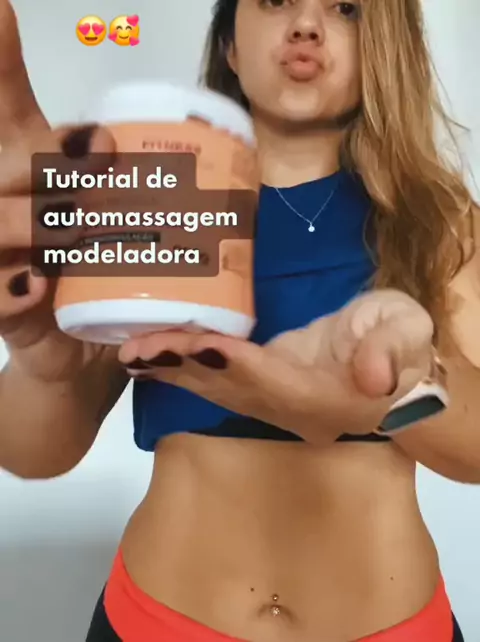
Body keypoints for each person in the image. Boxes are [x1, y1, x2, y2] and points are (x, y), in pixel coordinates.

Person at [0, 0, 478, 640]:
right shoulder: (157, 198)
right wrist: (44, 369)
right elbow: (32, 452)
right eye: (277, 0)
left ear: (385, 47)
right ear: (229, 43)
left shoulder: (438, 220)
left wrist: (401, 389)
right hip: (157, 624)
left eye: (345, 8)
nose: (305, 25)